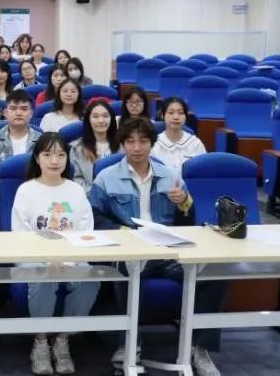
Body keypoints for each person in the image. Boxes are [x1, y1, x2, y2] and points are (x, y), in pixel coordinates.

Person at [88, 118, 225, 375]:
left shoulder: (170, 175)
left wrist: (184, 202)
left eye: (143, 141)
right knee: (126, 269)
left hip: (167, 252)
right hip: (130, 251)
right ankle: (130, 344)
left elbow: (188, 222)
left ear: (152, 144)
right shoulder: (106, 177)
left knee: (213, 272)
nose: (137, 148)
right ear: (122, 144)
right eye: (130, 141)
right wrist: (125, 232)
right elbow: (93, 217)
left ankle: (199, 348)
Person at [11, 132, 99, 375]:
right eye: (48, 154)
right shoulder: (26, 190)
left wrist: (67, 258)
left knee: (90, 279)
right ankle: (40, 341)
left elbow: (85, 230)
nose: (54, 160)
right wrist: (45, 257)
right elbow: (21, 233)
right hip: (33, 257)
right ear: (37, 158)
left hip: (72, 255)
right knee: (44, 278)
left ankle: (62, 340)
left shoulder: (75, 190)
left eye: (61, 155)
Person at [0, 89, 42, 223]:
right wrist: (9, 187)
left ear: (31, 113)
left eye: (24, 109)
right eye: (13, 108)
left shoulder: (42, 141)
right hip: (2, 195)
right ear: (5, 112)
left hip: (37, 193)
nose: (18, 113)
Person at [70, 99, 121, 192]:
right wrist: (95, 194)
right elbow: (76, 178)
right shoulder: (77, 148)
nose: (101, 120)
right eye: (95, 116)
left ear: (111, 119)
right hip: (89, 195)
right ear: (88, 120)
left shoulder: (122, 146)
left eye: (105, 116)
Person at [151, 97, 206, 176]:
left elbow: (203, 172)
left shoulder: (195, 143)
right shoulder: (153, 143)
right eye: (171, 113)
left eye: (180, 113)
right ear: (162, 115)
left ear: (186, 116)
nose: (176, 117)